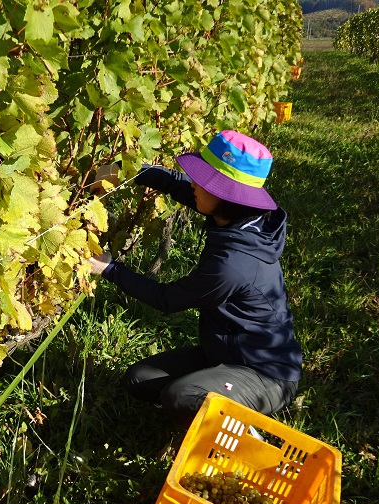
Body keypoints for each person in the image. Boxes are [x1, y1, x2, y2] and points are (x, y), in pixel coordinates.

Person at [89, 130, 302, 428]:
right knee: (140, 381)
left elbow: (167, 299)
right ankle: (209, 400)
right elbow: (179, 186)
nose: (193, 185)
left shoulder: (232, 265)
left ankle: (245, 437)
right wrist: (135, 172)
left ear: (227, 195)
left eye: (203, 181)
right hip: (224, 354)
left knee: (180, 395)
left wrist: (111, 269)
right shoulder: (242, 216)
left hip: (266, 375)